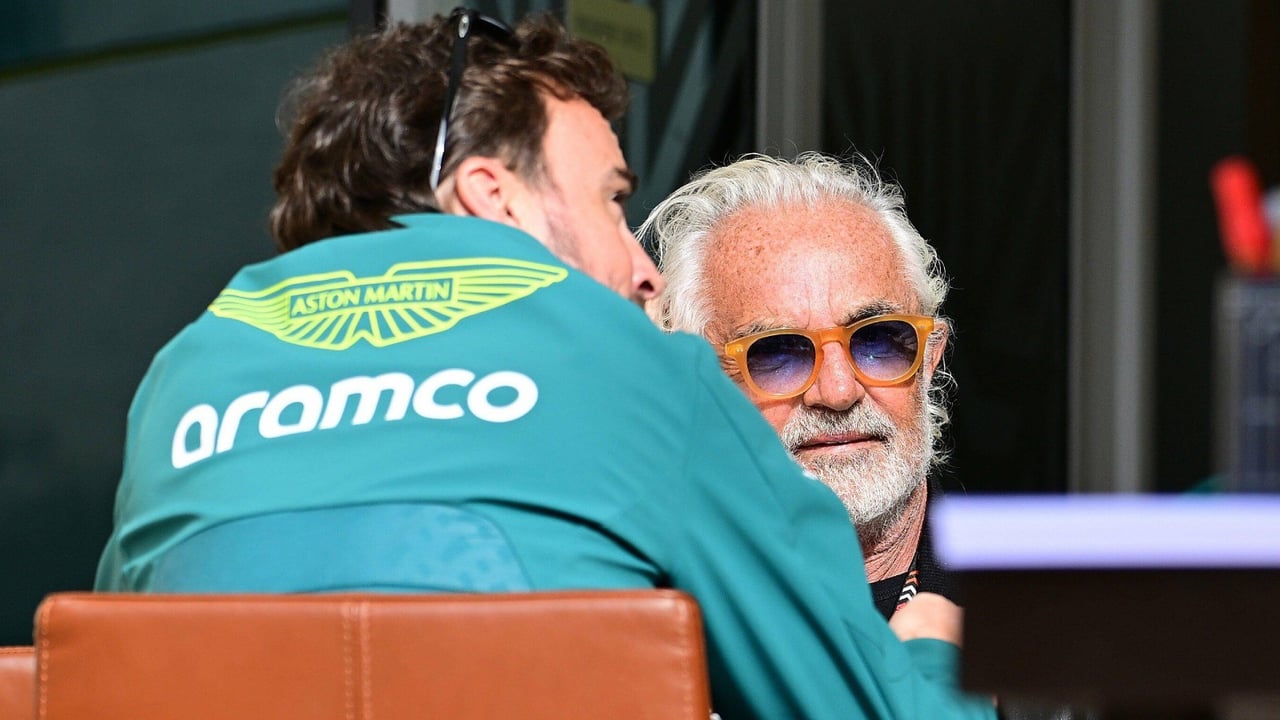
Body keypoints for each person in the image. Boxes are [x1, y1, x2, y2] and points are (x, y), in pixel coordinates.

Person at [95, 10, 994, 719]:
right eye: (611, 201)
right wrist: (931, 650)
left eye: (880, 342)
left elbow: (101, 673)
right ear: (495, 197)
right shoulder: (635, 371)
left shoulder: (184, 372)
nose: (640, 269)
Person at [642, 152, 959, 620]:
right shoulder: (632, 607)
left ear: (929, 359)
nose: (838, 392)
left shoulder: (1038, 596)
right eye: (778, 353)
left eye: (877, 340)